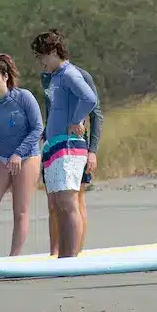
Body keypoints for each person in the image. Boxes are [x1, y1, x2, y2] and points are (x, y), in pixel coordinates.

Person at [30, 29, 97, 258]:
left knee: (69, 204)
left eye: (42, 57)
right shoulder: (56, 77)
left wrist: (76, 119)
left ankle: (71, 257)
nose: (41, 63)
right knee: (59, 204)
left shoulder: (69, 73)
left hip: (69, 146)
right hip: (55, 146)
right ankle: (63, 256)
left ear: (53, 52)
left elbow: (89, 98)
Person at [0, 53, 44, 258]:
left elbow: (38, 129)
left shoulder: (23, 97)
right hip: (3, 157)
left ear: (5, 76)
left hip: (27, 156)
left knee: (19, 210)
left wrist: (19, 153)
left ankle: (14, 258)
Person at [41, 60, 103, 257]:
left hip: (74, 146)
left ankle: (76, 252)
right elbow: (51, 111)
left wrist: (92, 150)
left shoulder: (78, 75)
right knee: (54, 203)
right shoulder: (47, 77)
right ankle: (56, 252)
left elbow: (96, 113)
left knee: (76, 199)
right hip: (53, 145)